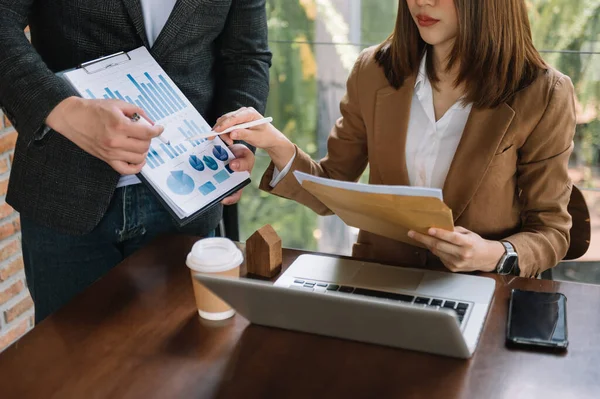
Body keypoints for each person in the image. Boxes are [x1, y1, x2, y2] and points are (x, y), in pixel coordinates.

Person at [213, 0, 577, 278]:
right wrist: (278, 146)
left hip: (481, 289)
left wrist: (495, 254)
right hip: (379, 281)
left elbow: (551, 231)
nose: (421, 1)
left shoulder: (544, 93)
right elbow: (333, 187)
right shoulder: (374, 72)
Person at [0, 0, 271, 323]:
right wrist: (64, 110)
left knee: (189, 363)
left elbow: (247, 55)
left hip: (189, 193)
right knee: (71, 366)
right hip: (65, 193)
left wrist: (236, 135)